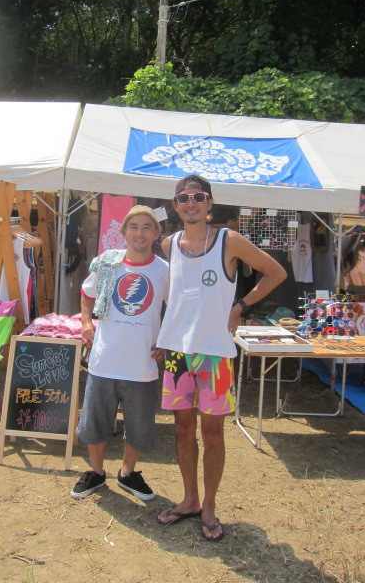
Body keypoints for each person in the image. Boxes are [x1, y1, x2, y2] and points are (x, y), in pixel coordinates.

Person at [156, 175, 286, 540]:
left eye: (199, 197)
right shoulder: (168, 244)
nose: (191, 203)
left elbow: (276, 272)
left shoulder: (229, 240)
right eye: (184, 198)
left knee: (212, 433)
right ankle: (189, 500)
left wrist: (241, 306)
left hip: (215, 354)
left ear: (209, 203)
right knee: (182, 429)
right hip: (177, 353)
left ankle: (209, 505)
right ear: (175, 205)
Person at [70, 206, 169, 501]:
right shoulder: (108, 264)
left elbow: (177, 307)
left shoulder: (164, 270)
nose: (140, 233)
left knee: (139, 426)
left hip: (142, 363)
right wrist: (86, 322)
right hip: (104, 360)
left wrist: (167, 340)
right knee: (95, 422)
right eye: (134, 226)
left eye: (147, 227)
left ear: (156, 233)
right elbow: (87, 294)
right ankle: (96, 471)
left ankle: (127, 473)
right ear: (124, 231)